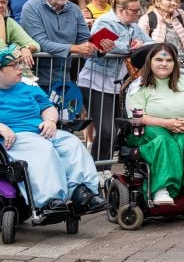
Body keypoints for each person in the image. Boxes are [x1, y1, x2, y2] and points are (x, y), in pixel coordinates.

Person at [0, 44, 107, 213]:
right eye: (15, 65)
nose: (21, 68)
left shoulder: (28, 86)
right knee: (44, 149)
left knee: (72, 143)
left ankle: (83, 192)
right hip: (15, 137)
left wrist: (50, 121)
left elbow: (47, 106)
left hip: (41, 130)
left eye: (21, 63)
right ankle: (50, 199)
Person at [124, 43, 184, 205]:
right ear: (149, 62)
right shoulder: (138, 86)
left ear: (175, 62)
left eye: (169, 60)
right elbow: (137, 116)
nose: (164, 64)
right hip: (150, 129)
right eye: (159, 59)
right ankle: (161, 189)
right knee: (163, 141)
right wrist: (166, 123)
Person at [77, 0, 150, 162]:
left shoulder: (134, 26)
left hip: (115, 83)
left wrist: (141, 45)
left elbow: (151, 43)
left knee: (115, 129)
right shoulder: (104, 22)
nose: (138, 14)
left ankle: (104, 168)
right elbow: (98, 45)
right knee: (106, 129)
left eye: (139, 10)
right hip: (95, 81)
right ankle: (97, 168)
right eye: (134, 11)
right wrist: (131, 48)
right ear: (121, 10)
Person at [21, 0, 102, 89]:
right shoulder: (32, 7)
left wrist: (100, 46)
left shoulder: (74, 10)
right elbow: (41, 43)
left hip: (65, 79)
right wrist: (75, 48)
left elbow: (85, 40)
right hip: (35, 80)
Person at [0, 0, 39, 69]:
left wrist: (26, 48)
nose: (1, 5)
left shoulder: (9, 23)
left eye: (3, 2)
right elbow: (1, 50)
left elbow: (36, 45)